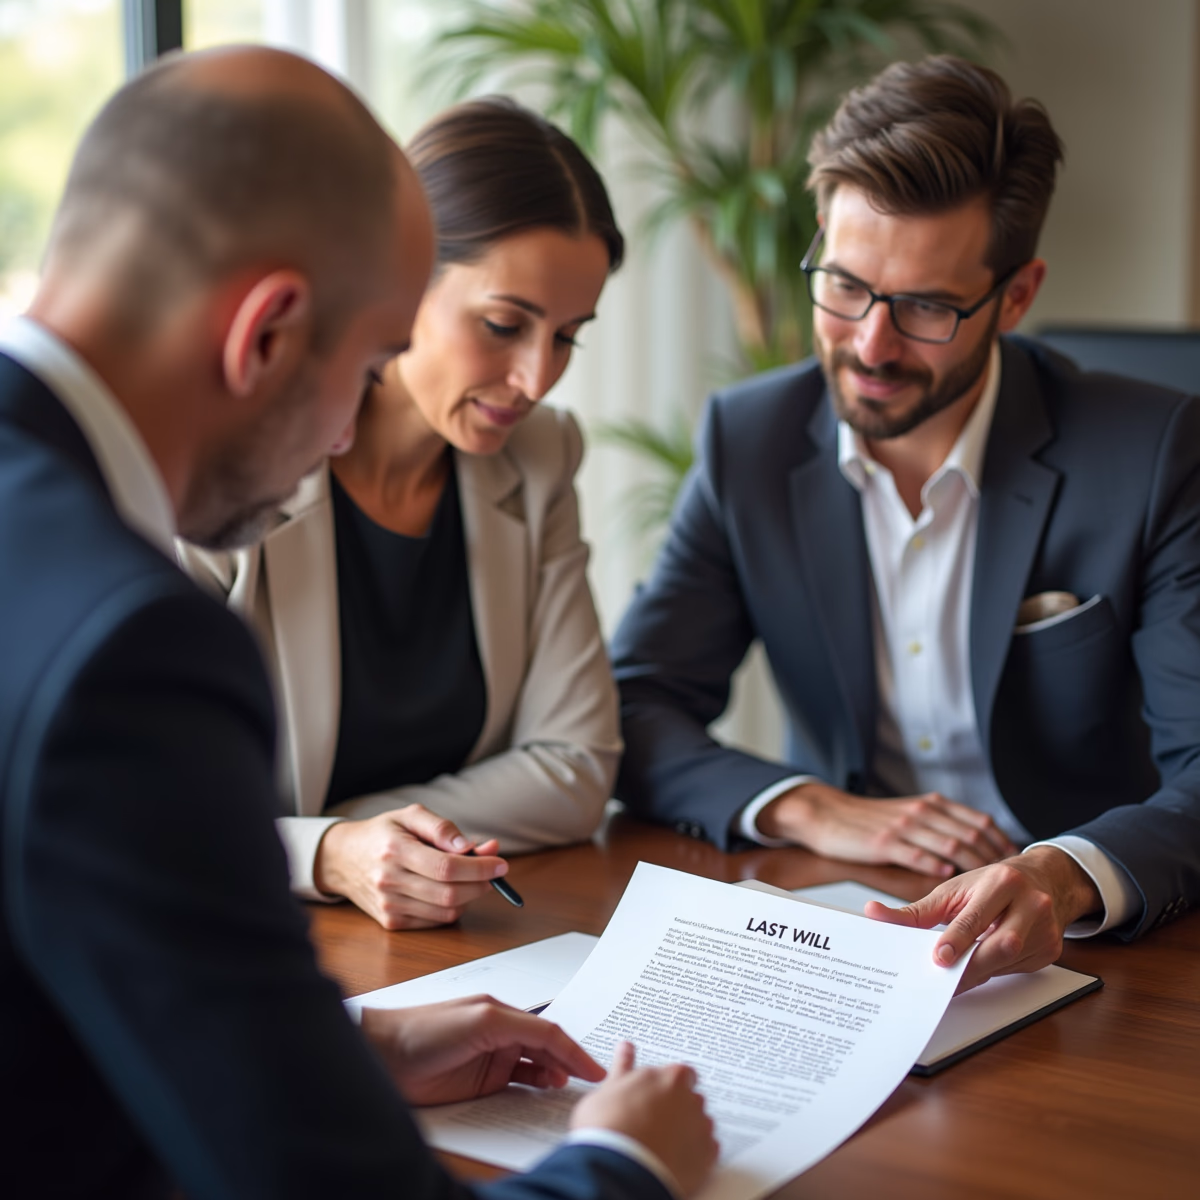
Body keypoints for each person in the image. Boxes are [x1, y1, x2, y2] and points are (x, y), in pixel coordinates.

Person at [0, 46, 717, 1199]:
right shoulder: (129, 642)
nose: (347, 427)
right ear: (268, 332)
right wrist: (628, 1164)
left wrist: (355, 1049)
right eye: (376, 354)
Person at [610, 54, 1200, 993]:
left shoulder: (1152, 452)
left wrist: (1063, 872)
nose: (870, 345)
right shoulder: (748, 440)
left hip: (1089, 953)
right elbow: (633, 702)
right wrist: (811, 808)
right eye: (843, 285)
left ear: (1015, 296)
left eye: (925, 306)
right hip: (842, 926)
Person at [180, 98, 623, 931]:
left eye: (568, 336)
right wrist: (326, 851)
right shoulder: (228, 464)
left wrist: (358, 832)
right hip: (245, 940)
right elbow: (138, 800)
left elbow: (574, 771)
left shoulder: (541, 457)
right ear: (399, 278)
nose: (537, 378)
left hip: (449, 938)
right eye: (503, 324)